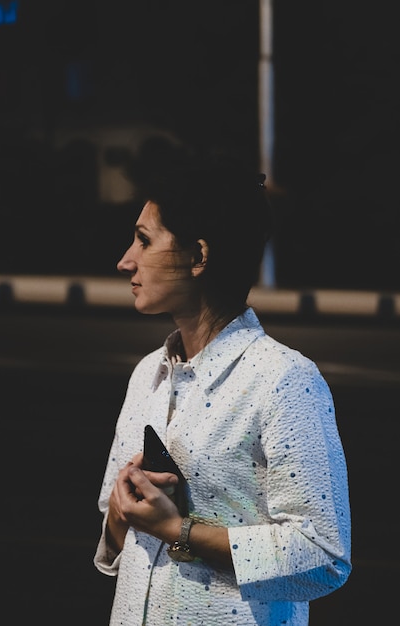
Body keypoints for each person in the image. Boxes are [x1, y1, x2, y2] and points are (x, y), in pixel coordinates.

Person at [93, 153, 352, 626]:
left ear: (198, 256)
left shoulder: (283, 379)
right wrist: (120, 510)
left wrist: (177, 529)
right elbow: (116, 531)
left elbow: (323, 556)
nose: (125, 260)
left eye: (144, 240)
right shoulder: (148, 374)